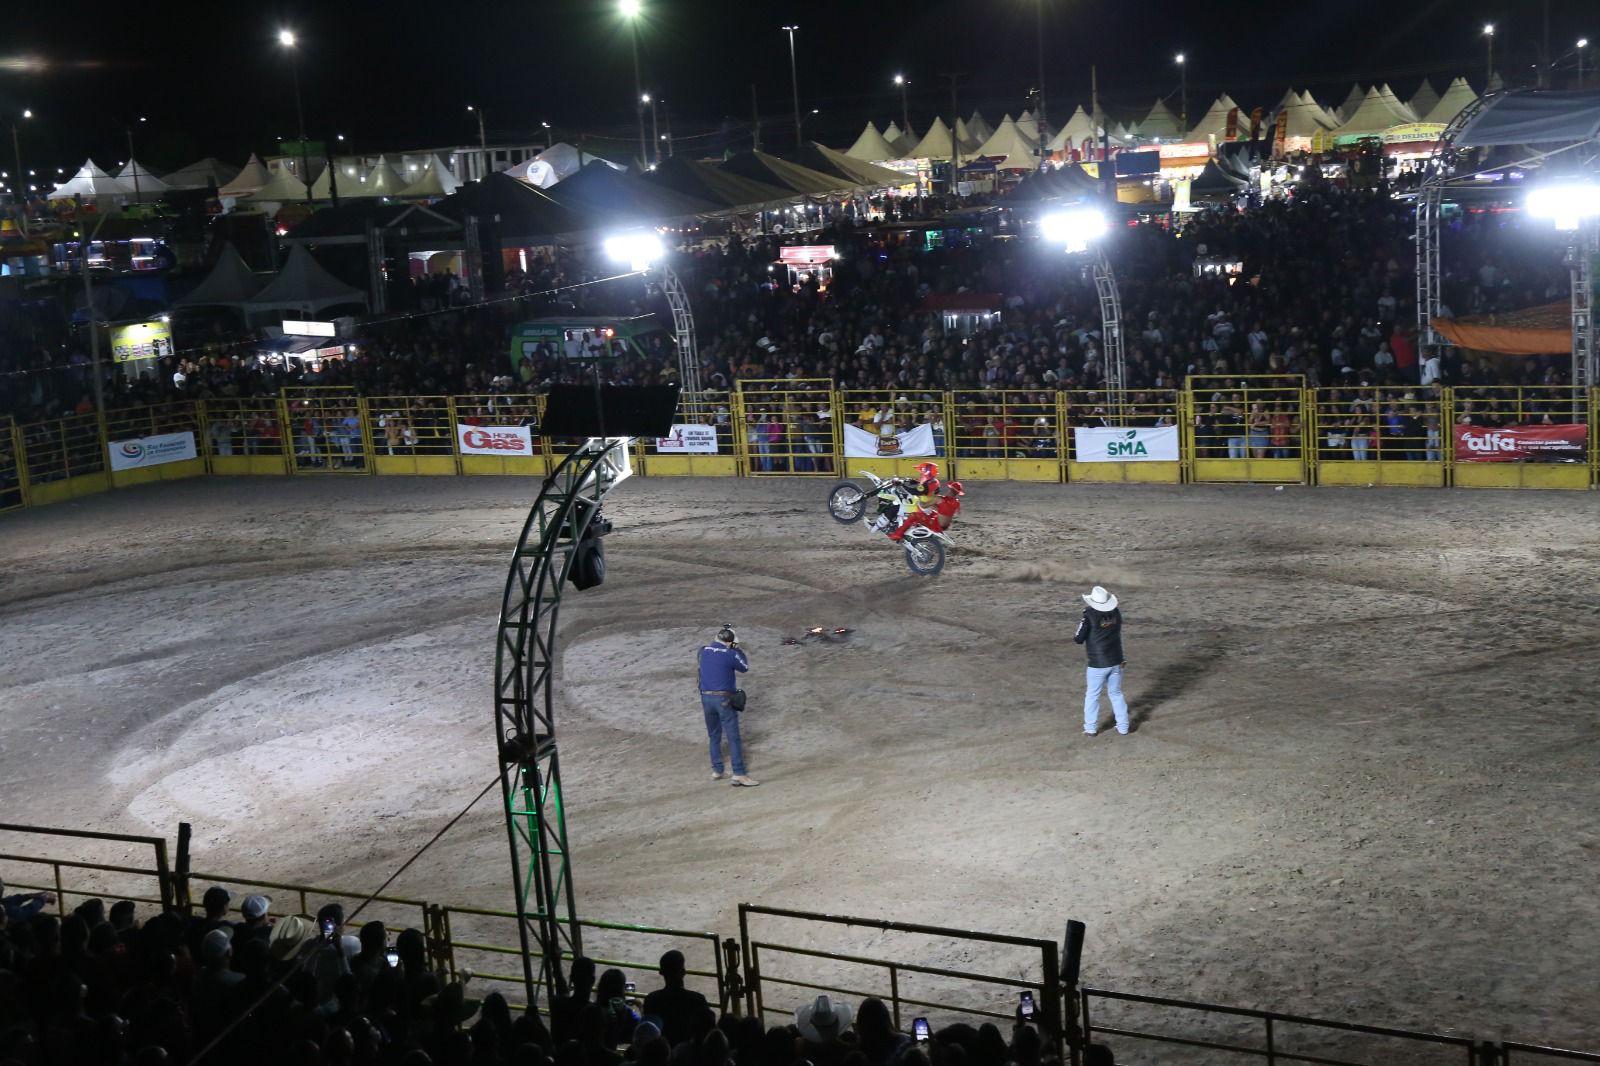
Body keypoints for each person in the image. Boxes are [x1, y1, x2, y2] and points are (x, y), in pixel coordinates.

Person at [697, 626, 758, 786]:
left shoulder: (703, 651)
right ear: (730, 642)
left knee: (714, 735)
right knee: (733, 736)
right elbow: (744, 667)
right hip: (723, 699)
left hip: (706, 698)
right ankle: (739, 773)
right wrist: (737, 649)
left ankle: (717, 770)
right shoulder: (730, 654)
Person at [1074, 586, 1130, 736]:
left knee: (1092, 695)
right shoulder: (1116, 613)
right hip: (1116, 659)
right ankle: (1123, 727)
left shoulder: (1089, 615)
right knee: (1116, 693)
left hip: (1098, 663)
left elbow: (1078, 638)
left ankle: (1091, 728)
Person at [640, 950, 709, 1047]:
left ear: (661, 972)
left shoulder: (651, 1000)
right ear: (683, 971)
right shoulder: (698, 1000)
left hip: (660, 1056)